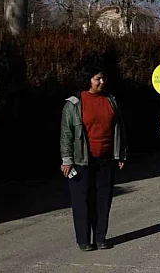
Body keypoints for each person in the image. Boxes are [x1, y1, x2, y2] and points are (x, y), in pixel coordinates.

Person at [60, 61, 127, 252]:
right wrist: (67, 160)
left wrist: (121, 153)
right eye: (97, 79)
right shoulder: (74, 103)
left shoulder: (111, 100)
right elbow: (66, 134)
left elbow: (120, 129)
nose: (102, 82)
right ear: (88, 80)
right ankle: (84, 240)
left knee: (103, 198)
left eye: (103, 78)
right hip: (81, 160)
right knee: (82, 200)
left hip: (106, 158)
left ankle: (100, 238)